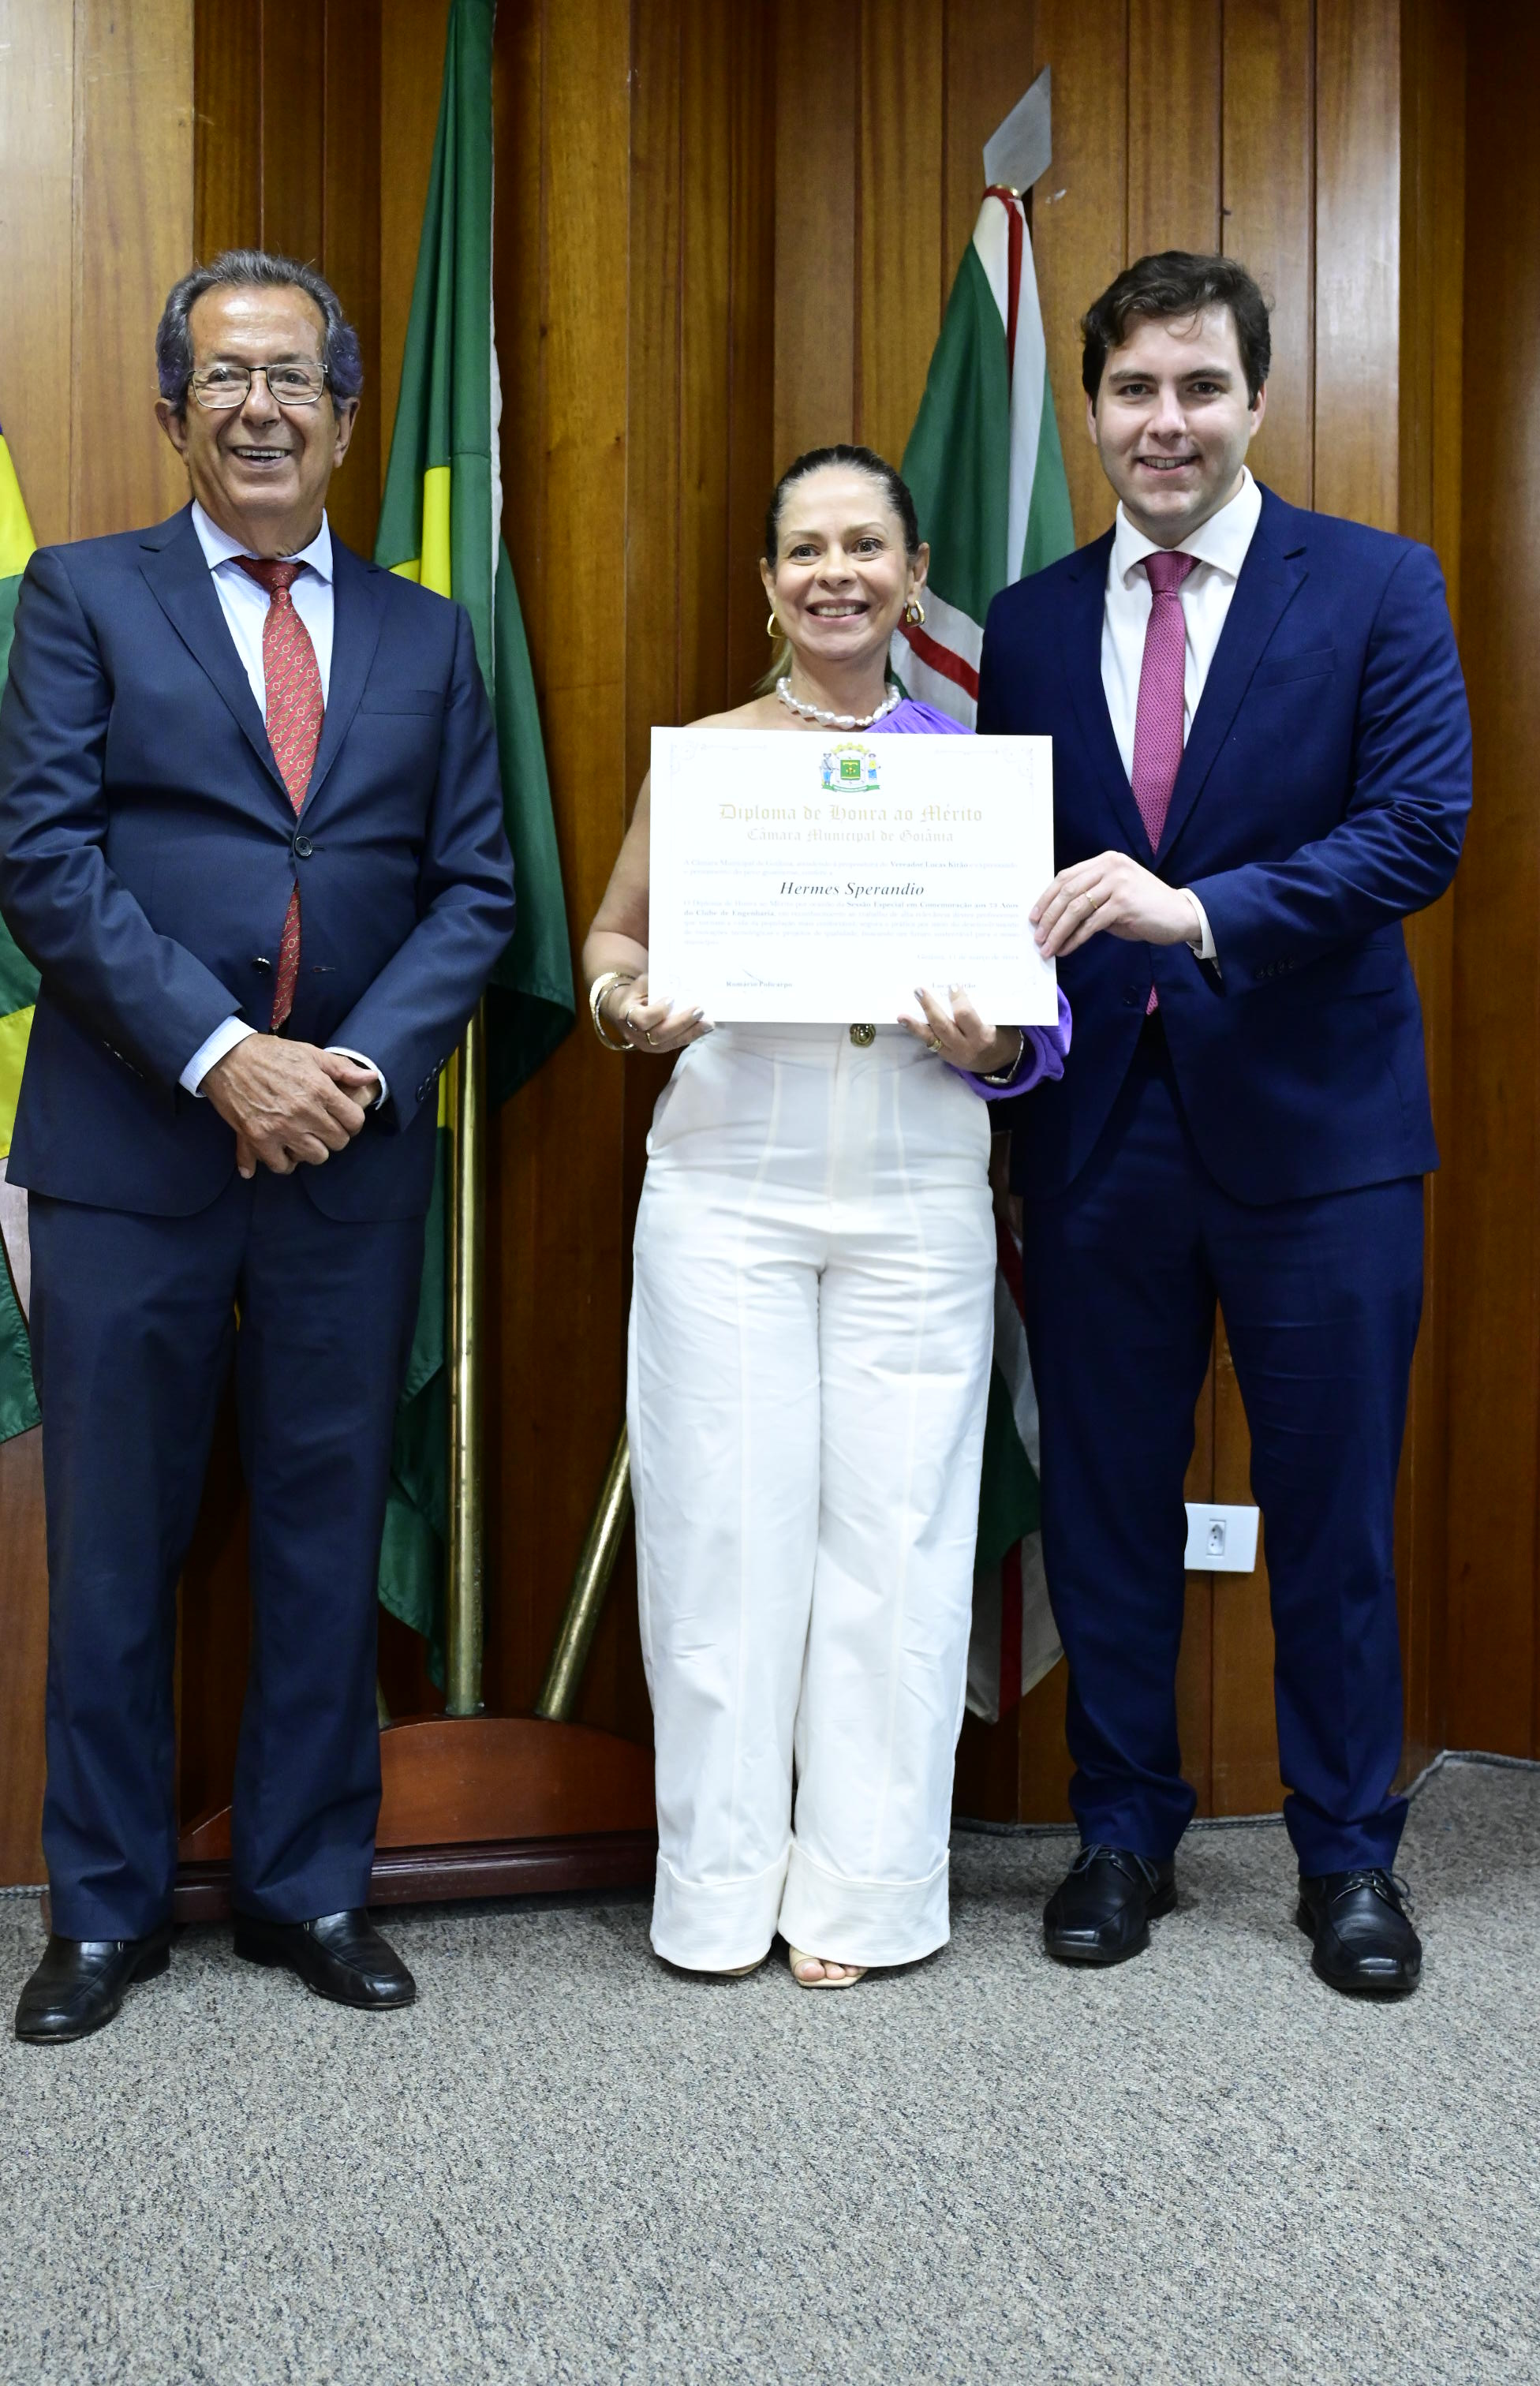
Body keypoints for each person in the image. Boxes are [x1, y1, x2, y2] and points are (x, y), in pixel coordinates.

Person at [0, 249, 514, 2042]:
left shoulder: (432, 636)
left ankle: (309, 1884)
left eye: (294, 378)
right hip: (133, 1148)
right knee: (112, 1545)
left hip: (345, 1158)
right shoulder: (84, 596)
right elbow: (43, 860)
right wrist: (224, 1059)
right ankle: (101, 1910)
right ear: (173, 413)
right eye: (226, 378)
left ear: (348, 418)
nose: (262, 407)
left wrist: (345, 1071)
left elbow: (476, 889)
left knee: (319, 1529)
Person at [977, 253, 1471, 1995]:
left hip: (1322, 1140)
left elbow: (1419, 830)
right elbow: (1004, 875)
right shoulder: (1030, 622)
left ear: (1257, 398)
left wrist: (1198, 915)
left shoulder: (1379, 585)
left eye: (1199, 387)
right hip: (1098, 1137)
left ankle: (1350, 1856)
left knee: (1333, 1514)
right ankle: (1124, 1832)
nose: (1166, 422)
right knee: (1105, 1502)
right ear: (1093, 409)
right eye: (1134, 390)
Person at [584, 444, 1071, 1988]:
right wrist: (625, 1011)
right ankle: (718, 1895)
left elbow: (1035, 1012)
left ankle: (863, 1897)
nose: (836, 573)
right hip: (728, 1185)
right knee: (722, 1541)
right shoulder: (711, 760)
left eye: (867, 546)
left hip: (919, 1191)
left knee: (899, 1550)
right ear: (770, 583)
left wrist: (990, 1048)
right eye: (806, 549)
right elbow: (612, 941)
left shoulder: (971, 774)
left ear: (915, 576)